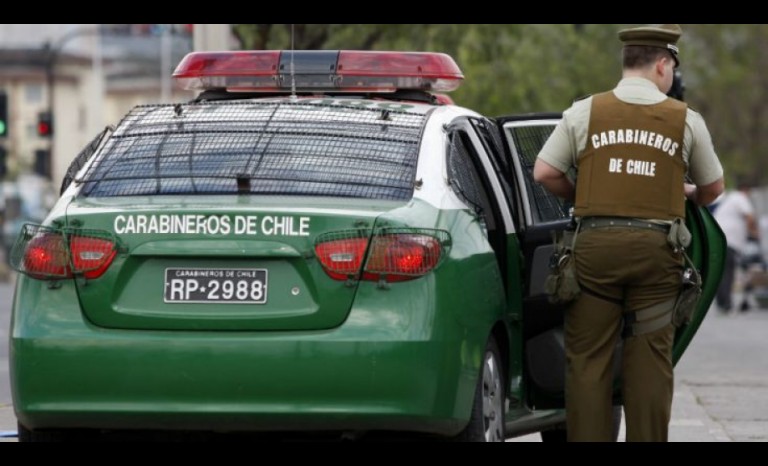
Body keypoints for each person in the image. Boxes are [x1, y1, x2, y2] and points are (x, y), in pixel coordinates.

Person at [533, 24, 725, 442]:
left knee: (587, 360)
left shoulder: (584, 111)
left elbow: (544, 172)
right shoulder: (685, 119)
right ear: (662, 64)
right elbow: (713, 189)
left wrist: (582, 192)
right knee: (651, 362)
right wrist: (684, 190)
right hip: (656, 255)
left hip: (594, 252)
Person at [713, 177, 760, 313]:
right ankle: (726, 304)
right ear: (745, 190)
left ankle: (722, 303)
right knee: (728, 272)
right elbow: (749, 217)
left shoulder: (729, 199)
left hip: (720, 239)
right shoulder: (740, 197)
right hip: (729, 241)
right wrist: (755, 233)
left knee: (721, 272)